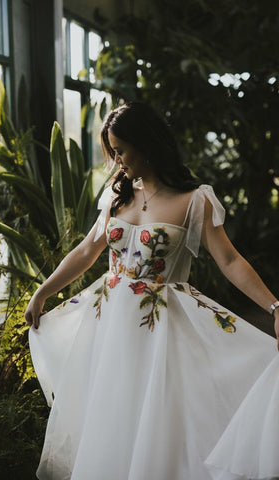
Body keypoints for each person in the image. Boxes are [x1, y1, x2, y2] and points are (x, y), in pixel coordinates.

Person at [25, 102, 279, 480]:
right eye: (113, 151)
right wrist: (42, 292)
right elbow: (85, 251)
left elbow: (229, 260)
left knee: (159, 422)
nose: (116, 160)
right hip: (109, 328)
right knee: (112, 415)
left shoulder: (195, 200)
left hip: (161, 333)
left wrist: (275, 307)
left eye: (121, 150)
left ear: (146, 145)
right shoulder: (115, 198)